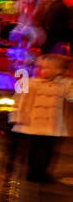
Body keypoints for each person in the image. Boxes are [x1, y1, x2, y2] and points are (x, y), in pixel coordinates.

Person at [12, 53, 73, 183]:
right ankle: (33, 172)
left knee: (49, 149)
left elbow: (71, 96)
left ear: (58, 71)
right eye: (37, 67)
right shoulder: (29, 82)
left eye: (45, 68)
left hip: (53, 123)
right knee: (34, 148)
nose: (39, 70)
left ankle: (43, 171)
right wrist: (16, 116)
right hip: (33, 122)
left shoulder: (64, 84)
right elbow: (18, 101)